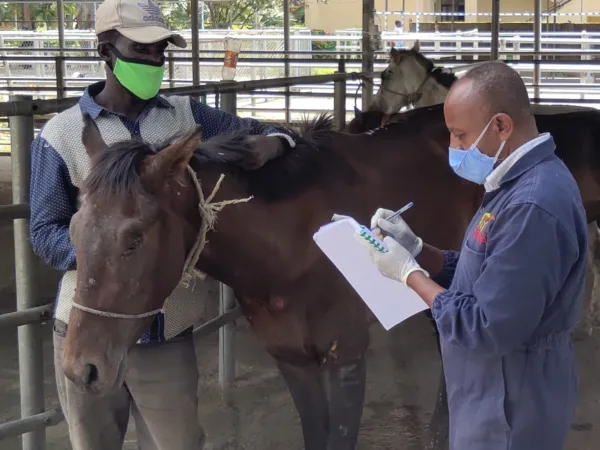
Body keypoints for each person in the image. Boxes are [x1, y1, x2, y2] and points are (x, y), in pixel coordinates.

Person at [28, 0, 295, 449]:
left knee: (179, 442)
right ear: (107, 51)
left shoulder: (189, 118)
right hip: (89, 324)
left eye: (160, 52)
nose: (154, 61)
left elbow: (260, 128)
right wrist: (109, 251)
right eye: (142, 49)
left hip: (167, 330)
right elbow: (44, 229)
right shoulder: (61, 135)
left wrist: (275, 142)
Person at [361, 61, 588, 449]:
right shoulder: (513, 183)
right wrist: (418, 250)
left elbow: (486, 326)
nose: (455, 149)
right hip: (493, 390)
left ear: (500, 126)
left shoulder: (533, 206)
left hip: (511, 401)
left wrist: (408, 276)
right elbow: (485, 272)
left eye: (460, 136)